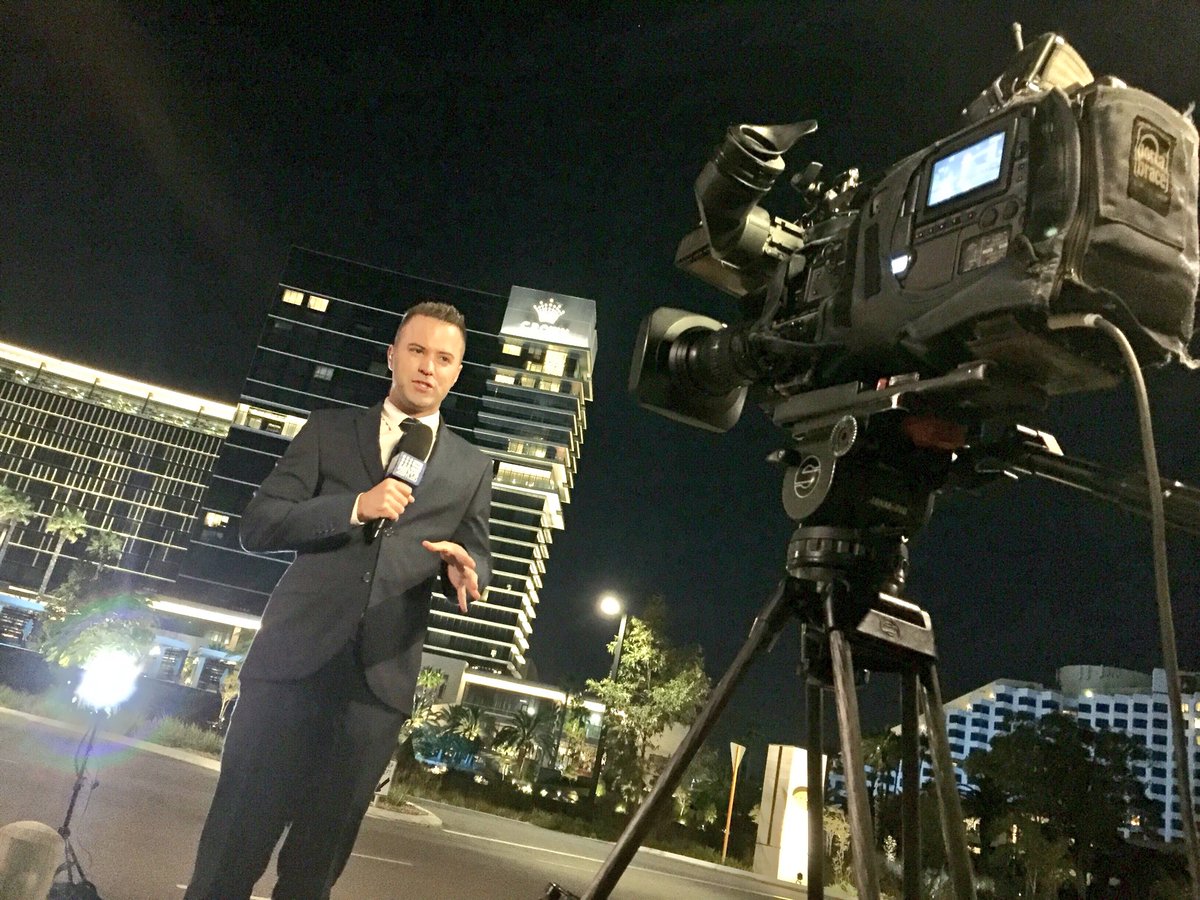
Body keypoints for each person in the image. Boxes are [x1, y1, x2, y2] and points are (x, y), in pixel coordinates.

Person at [185, 301, 492, 899]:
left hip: (376, 690)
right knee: (230, 852)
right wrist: (354, 507)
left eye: (444, 358)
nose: (428, 367)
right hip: (289, 670)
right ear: (392, 356)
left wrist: (469, 570)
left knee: (314, 872)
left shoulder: (471, 467)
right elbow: (259, 525)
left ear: (457, 372)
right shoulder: (328, 431)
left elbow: (477, 554)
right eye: (416, 350)